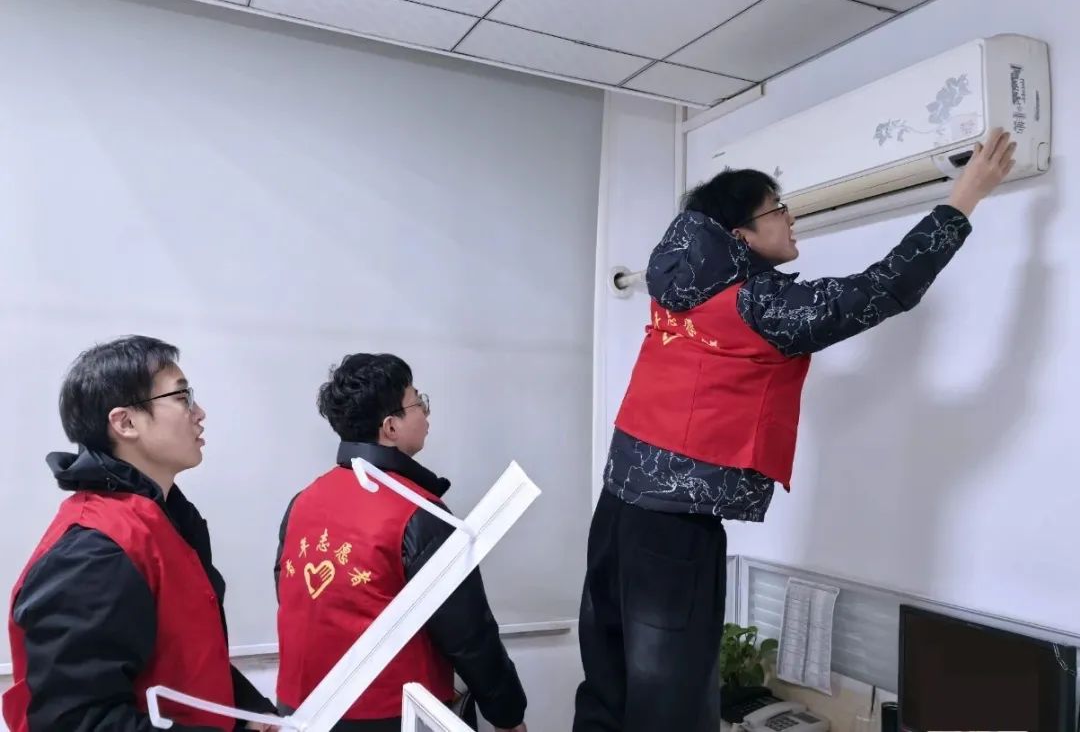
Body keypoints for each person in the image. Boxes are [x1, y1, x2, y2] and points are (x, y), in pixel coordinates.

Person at [572, 128, 1018, 731]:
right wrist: (964, 197)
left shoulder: (675, 288)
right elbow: (883, 287)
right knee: (670, 699)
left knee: (608, 681)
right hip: (673, 531)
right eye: (776, 208)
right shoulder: (758, 306)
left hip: (617, 507)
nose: (790, 217)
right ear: (741, 235)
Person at [2, 336, 278, 732]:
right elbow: (78, 721)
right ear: (125, 423)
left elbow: (191, 657)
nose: (199, 412)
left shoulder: (166, 517)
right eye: (182, 397)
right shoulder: (94, 551)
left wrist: (249, 716)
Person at [273, 353, 528, 732]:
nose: (425, 412)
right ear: (391, 427)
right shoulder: (418, 513)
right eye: (417, 401)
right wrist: (508, 716)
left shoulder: (302, 502)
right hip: (393, 716)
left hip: (300, 714)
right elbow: (469, 634)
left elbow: (290, 595)